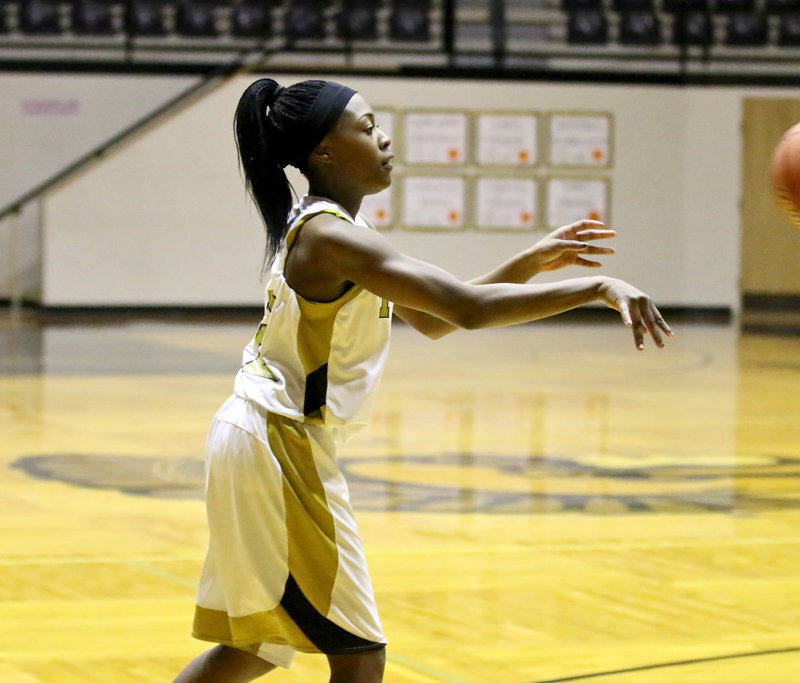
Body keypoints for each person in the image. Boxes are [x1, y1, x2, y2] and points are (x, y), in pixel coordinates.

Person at [173, 77, 673, 683]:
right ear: (324, 153)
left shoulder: (331, 231)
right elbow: (468, 309)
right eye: (365, 127)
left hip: (259, 435)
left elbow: (433, 320)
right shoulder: (331, 238)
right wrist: (596, 288)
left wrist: (530, 263)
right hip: (280, 443)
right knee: (360, 656)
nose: (384, 138)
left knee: (257, 646)